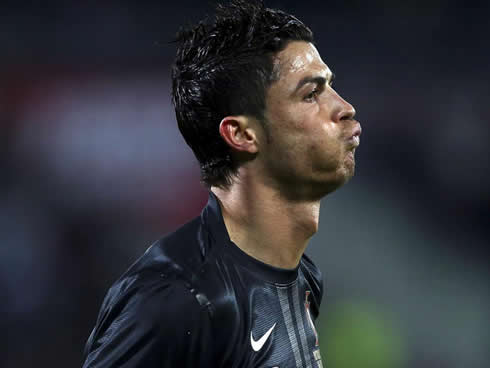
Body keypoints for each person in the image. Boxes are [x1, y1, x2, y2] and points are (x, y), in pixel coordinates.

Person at [82, 0, 361, 367]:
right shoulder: (178, 300)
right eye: (311, 94)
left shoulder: (302, 276)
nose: (344, 107)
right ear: (243, 134)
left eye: (330, 88)